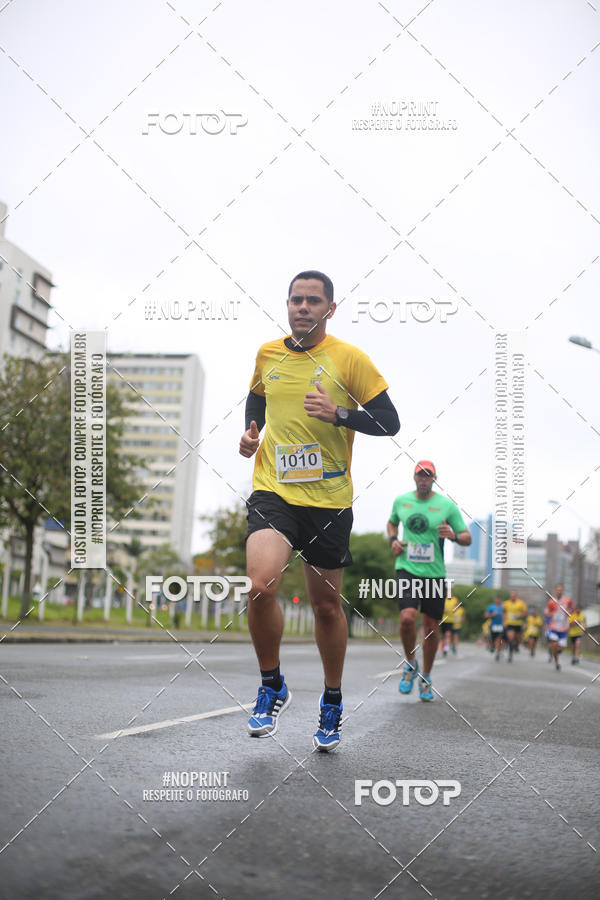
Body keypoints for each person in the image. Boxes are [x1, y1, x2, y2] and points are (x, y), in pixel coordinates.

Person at [240, 270, 399, 751]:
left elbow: (390, 422)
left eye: (313, 301)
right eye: (295, 300)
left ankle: (332, 699)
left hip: (328, 501)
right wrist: (250, 433)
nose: (302, 307)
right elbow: (257, 399)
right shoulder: (268, 354)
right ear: (286, 305)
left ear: (331, 308)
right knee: (260, 586)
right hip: (274, 490)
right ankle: (272, 685)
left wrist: (340, 414)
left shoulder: (349, 359)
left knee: (327, 606)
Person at [387, 461, 471, 701]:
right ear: (414, 477)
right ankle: (411, 663)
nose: (424, 479)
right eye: (420, 475)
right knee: (407, 618)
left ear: (435, 478)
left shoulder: (446, 505)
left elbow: (467, 537)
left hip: (434, 574)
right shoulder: (401, 501)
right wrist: (392, 539)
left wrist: (453, 535)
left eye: (428, 476)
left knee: (431, 628)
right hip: (407, 568)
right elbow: (392, 521)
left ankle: (426, 676)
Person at [544, 584, 574, 671]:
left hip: (564, 628)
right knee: (554, 644)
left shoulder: (567, 600)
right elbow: (546, 612)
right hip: (553, 627)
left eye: (560, 590)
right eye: (557, 590)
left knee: (560, 648)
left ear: (562, 591)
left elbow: (572, 609)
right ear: (555, 591)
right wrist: (552, 614)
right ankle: (557, 662)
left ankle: (555, 653)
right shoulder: (551, 601)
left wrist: (569, 613)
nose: (559, 591)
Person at [502, 590, 527, 662]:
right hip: (510, 624)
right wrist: (504, 621)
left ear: (516, 596)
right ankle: (510, 654)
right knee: (510, 638)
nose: (512, 597)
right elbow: (503, 612)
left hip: (518, 624)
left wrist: (519, 616)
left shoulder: (521, 603)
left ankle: (516, 646)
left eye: (514, 596)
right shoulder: (506, 603)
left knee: (518, 639)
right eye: (511, 596)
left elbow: (525, 613)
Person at [485, 595, 505, 660]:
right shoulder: (491, 607)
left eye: (499, 599)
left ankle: (498, 653)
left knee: (500, 639)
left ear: (500, 600)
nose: (498, 600)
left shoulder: (503, 607)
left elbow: (506, 615)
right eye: (497, 599)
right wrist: (492, 615)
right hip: (493, 626)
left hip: (501, 626)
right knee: (492, 639)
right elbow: (486, 615)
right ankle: (492, 646)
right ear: (495, 600)